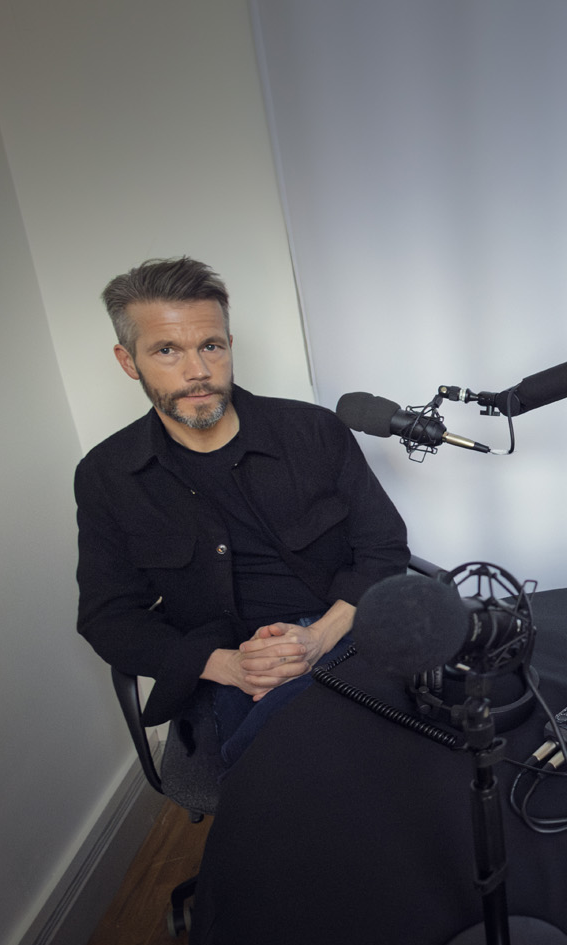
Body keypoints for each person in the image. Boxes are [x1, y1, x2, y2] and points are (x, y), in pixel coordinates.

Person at [75, 256, 409, 768]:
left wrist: (316, 639)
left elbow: (383, 548)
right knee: (286, 760)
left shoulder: (314, 432)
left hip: (342, 635)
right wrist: (230, 666)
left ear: (229, 345)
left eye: (211, 346)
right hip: (227, 664)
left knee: (390, 749)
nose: (198, 371)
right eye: (167, 350)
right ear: (128, 361)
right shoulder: (108, 474)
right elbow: (109, 617)